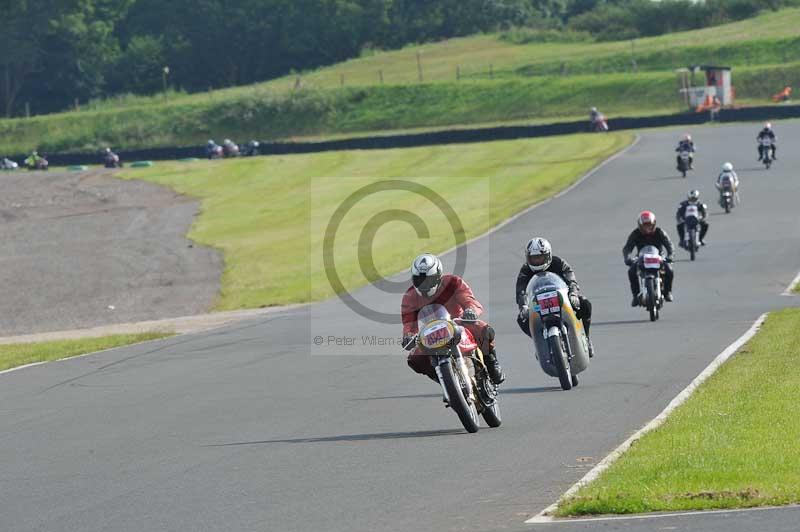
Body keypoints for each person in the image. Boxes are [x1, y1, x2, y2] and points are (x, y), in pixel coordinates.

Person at [401, 253, 505, 385]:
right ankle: (442, 379)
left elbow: (468, 299)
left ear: (438, 276)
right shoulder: (410, 296)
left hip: (459, 322)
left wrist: (471, 311)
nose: (424, 284)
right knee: (415, 359)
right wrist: (409, 336)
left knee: (484, 329)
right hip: (431, 334)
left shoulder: (453, 282)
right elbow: (408, 323)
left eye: (429, 279)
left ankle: (491, 362)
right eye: (419, 279)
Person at [515, 238, 594, 357]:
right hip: (537, 302)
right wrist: (524, 306)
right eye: (533, 258)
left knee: (585, 303)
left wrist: (573, 293)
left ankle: (587, 338)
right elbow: (520, 290)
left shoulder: (558, 262)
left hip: (562, 298)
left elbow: (571, 278)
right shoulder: (525, 270)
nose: (536, 261)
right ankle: (540, 343)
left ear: (548, 255)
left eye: (540, 257)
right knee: (521, 319)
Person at [622, 211, 675, 306]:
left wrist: (670, 255)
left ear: (653, 224)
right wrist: (627, 258)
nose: (647, 228)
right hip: (641, 257)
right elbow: (627, 248)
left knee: (669, 270)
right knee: (631, 271)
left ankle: (668, 292)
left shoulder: (660, 232)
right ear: (640, 225)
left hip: (658, 256)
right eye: (645, 225)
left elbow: (669, 244)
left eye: (649, 225)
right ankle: (635, 296)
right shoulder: (635, 234)